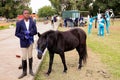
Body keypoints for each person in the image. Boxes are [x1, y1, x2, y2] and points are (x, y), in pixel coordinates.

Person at [15, 9, 37, 79]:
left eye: (28, 13)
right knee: (24, 57)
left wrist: (29, 33)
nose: (27, 14)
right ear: (23, 14)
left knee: (30, 56)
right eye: (25, 13)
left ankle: (30, 70)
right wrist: (23, 36)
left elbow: (35, 31)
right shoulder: (19, 23)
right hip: (23, 42)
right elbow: (16, 33)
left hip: (30, 42)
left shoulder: (32, 22)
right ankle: (24, 72)